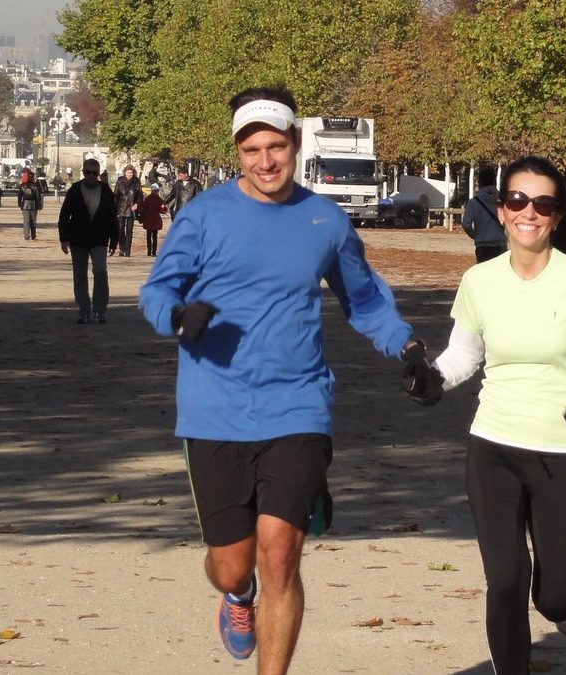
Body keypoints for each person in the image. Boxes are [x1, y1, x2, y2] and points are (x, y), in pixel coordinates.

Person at [139, 84, 432, 674]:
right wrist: (177, 318)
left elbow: (365, 298)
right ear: (237, 152)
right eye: (252, 150)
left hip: (298, 405)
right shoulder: (203, 216)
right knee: (234, 564)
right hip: (214, 407)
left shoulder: (324, 219)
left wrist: (404, 344)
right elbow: (158, 290)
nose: (266, 161)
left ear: (296, 143)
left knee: (279, 559)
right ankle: (235, 596)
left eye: (276, 146)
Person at [408, 156, 566, 675]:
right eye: (517, 201)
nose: (527, 213)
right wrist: (432, 380)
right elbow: (464, 355)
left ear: (556, 215)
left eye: (542, 204)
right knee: (505, 581)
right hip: (493, 446)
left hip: (564, 453)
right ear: (500, 208)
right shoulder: (479, 281)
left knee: (553, 598)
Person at [58, 158, 118, 324]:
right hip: (78, 238)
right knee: (80, 275)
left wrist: (115, 240)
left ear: (99, 173)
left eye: (95, 173)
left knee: (100, 272)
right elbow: (64, 216)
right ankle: (84, 311)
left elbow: (113, 217)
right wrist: (64, 238)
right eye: (88, 172)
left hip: (99, 239)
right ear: (83, 172)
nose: (91, 176)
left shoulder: (106, 190)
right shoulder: (75, 190)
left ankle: (99, 310)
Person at [462, 166, 506, 262]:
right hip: (500, 243)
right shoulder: (503, 200)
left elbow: (466, 224)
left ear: (480, 183)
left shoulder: (474, 202)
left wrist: (476, 235)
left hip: (483, 245)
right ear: (494, 181)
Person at [113, 164, 143, 257]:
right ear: (125, 173)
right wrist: (113, 207)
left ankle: (127, 251)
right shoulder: (120, 180)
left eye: (131, 172)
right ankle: (122, 249)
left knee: (129, 230)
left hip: (131, 208)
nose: (130, 174)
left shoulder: (136, 181)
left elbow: (140, 195)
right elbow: (116, 194)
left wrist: (136, 204)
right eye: (128, 172)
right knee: (120, 229)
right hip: (121, 207)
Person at [137, 183, 166, 256]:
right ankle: (149, 251)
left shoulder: (158, 199)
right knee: (149, 236)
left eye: (157, 191)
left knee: (154, 236)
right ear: (152, 191)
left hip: (154, 220)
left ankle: (153, 252)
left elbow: (162, 210)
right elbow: (143, 209)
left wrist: (163, 208)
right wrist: (141, 218)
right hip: (149, 219)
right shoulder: (148, 199)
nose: (156, 192)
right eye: (155, 191)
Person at [18, 170, 44, 241]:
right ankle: (33, 235)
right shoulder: (35, 186)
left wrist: (19, 203)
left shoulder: (22, 186)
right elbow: (38, 197)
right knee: (33, 221)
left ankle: (26, 236)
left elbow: (19, 196)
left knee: (26, 221)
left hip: (25, 205)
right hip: (33, 205)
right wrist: (39, 205)